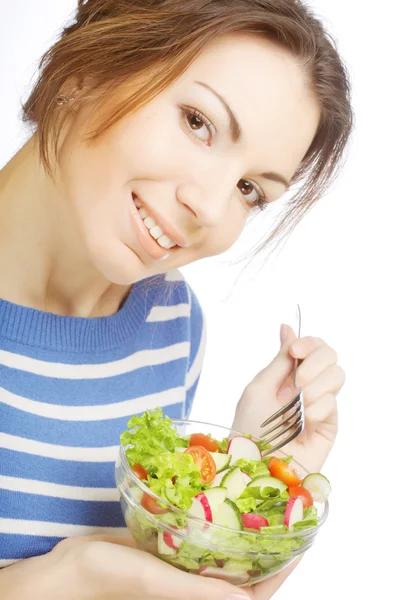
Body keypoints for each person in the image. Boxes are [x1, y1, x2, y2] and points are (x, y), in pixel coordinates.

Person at [0, 0, 352, 598]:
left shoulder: (171, 324)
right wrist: (63, 578)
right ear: (92, 65)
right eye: (198, 122)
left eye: (249, 189)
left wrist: (250, 483)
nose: (211, 208)